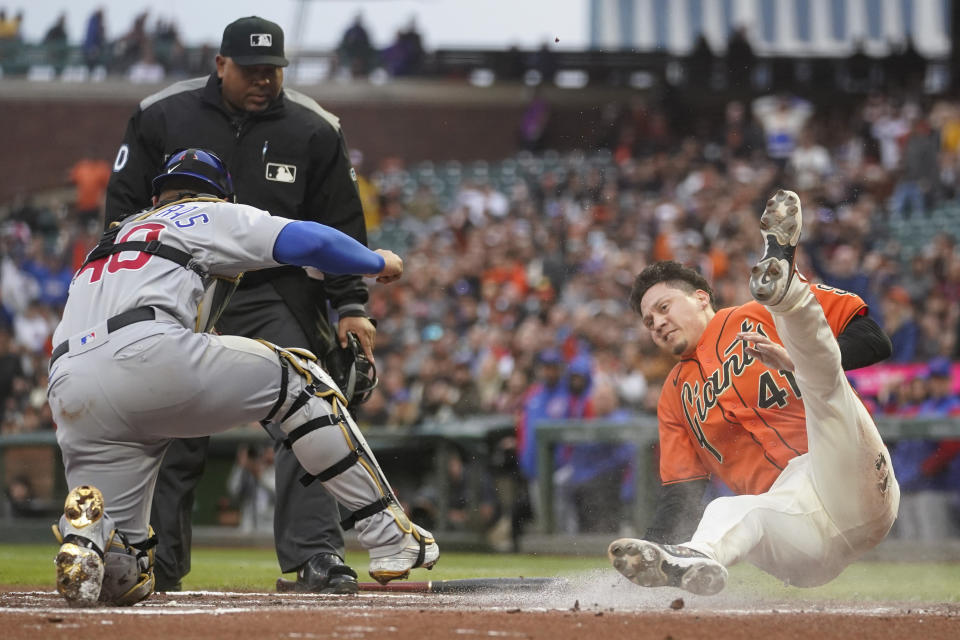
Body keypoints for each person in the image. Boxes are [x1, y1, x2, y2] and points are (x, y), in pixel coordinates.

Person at [49, 148, 438, 608]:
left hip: (69, 382)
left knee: (126, 576)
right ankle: (389, 532)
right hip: (145, 353)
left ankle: (89, 533)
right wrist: (375, 262)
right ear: (220, 194)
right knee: (302, 380)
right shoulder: (203, 212)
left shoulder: (112, 240)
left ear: (157, 195)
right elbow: (308, 240)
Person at [104, 16, 378, 594]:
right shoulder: (162, 114)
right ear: (220, 64)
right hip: (183, 291)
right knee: (169, 426)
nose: (265, 81)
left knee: (307, 411)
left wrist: (351, 304)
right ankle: (157, 563)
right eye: (252, 71)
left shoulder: (314, 128)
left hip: (273, 292)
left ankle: (315, 556)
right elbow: (122, 214)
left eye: (273, 71)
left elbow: (340, 224)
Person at [608, 189, 899, 596]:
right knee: (724, 510)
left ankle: (788, 285)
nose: (655, 323)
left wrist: (799, 363)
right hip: (797, 536)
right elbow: (682, 494)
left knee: (819, 380)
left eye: (663, 307)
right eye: (648, 321)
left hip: (850, 477)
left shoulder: (756, 314)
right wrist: (649, 558)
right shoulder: (674, 397)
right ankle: (696, 559)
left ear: (700, 297)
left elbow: (873, 339)